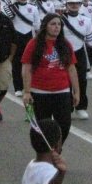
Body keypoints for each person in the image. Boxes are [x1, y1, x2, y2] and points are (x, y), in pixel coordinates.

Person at [22, 14, 80, 143]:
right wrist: (26, 92)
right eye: (53, 24)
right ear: (45, 26)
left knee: (64, 125)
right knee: (42, 128)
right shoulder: (34, 44)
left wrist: (76, 92)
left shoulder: (65, 44)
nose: (56, 27)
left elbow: (71, 69)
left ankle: (57, 149)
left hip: (62, 92)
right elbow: (27, 68)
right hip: (40, 93)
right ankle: (46, 152)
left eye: (59, 24)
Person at [60, 0, 92, 120]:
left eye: (77, 3)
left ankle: (81, 107)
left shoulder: (86, 20)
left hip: (80, 52)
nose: (74, 5)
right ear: (66, 4)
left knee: (81, 81)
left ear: (80, 4)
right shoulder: (60, 19)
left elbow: (90, 40)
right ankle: (67, 107)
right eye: (71, 3)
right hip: (64, 53)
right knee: (65, 81)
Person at [9, 0, 41, 97]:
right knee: (16, 63)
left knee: (29, 63)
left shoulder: (33, 8)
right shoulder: (11, 8)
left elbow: (37, 25)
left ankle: (29, 85)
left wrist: (38, 39)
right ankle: (18, 87)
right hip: (15, 37)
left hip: (29, 37)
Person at [21, 119, 66, 184]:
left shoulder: (32, 165)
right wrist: (61, 173)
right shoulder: (49, 171)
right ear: (56, 145)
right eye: (60, 139)